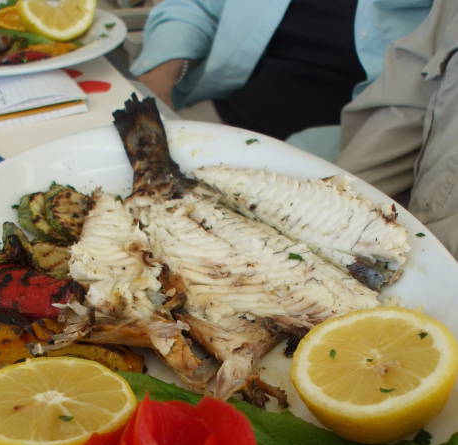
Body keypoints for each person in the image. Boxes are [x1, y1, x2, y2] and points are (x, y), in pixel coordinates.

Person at [131, 0, 433, 157]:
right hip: (232, 120)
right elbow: (196, 8)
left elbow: (430, 92)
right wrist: (158, 80)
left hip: (362, 145)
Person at [336, 0, 458, 258]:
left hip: (434, 262)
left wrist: (429, 262)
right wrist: (342, 205)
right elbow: (417, 82)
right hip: (408, 237)